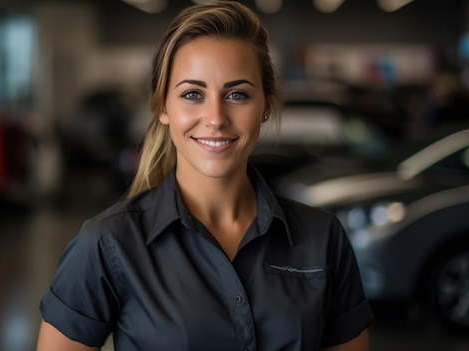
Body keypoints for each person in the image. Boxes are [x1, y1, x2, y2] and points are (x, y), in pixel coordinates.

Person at [37, 1, 374, 350]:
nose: (215, 117)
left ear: (266, 107)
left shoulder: (322, 239)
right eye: (193, 94)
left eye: (237, 94)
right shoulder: (108, 244)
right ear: (163, 107)